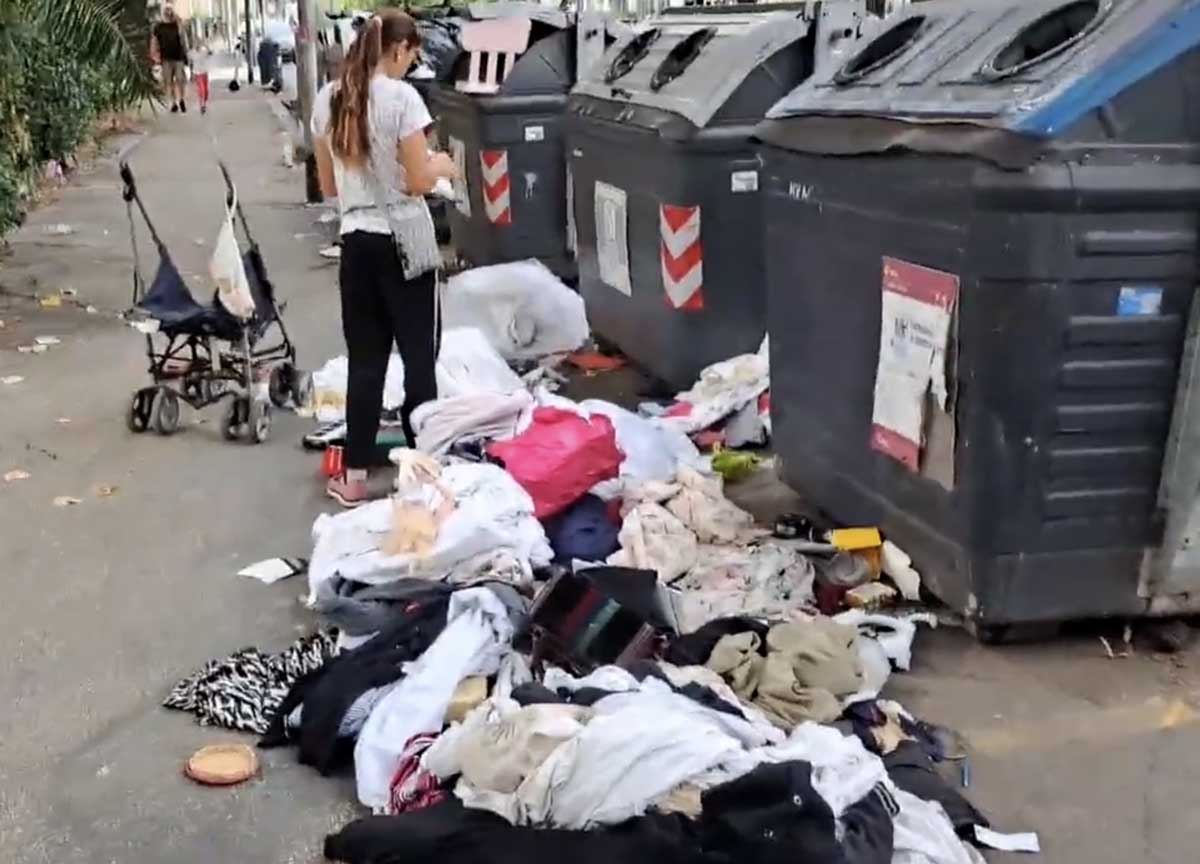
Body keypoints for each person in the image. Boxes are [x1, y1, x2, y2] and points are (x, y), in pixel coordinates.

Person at [311, 10, 457, 507]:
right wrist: (442, 165)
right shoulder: (402, 99)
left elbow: (328, 185)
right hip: (404, 243)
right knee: (419, 360)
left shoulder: (328, 99)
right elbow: (417, 180)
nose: (410, 65)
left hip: (356, 244)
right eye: (411, 56)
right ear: (398, 49)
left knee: (366, 363)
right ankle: (421, 476)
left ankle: (353, 478)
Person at [151, 4, 190, 113]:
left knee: (180, 79)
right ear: (163, 12)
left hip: (178, 56)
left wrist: (187, 53)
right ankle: (173, 103)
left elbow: (183, 39)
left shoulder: (177, 24)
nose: (169, 12)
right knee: (168, 81)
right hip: (165, 58)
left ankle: (181, 99)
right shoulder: (158, 26)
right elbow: (154, 41)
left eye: (170, 10)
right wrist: (155, 55)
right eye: (167, 10)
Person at [190, 44, 211, 114]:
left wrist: (207, 48)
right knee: (202, 89)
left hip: (204, 72)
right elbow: (190, 63)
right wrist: (192, 74)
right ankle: (202, 105)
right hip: (197, 73)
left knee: (206, 90)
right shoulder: (192, 53)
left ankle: (204, 102)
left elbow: (209, 54)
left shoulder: (204, 50)